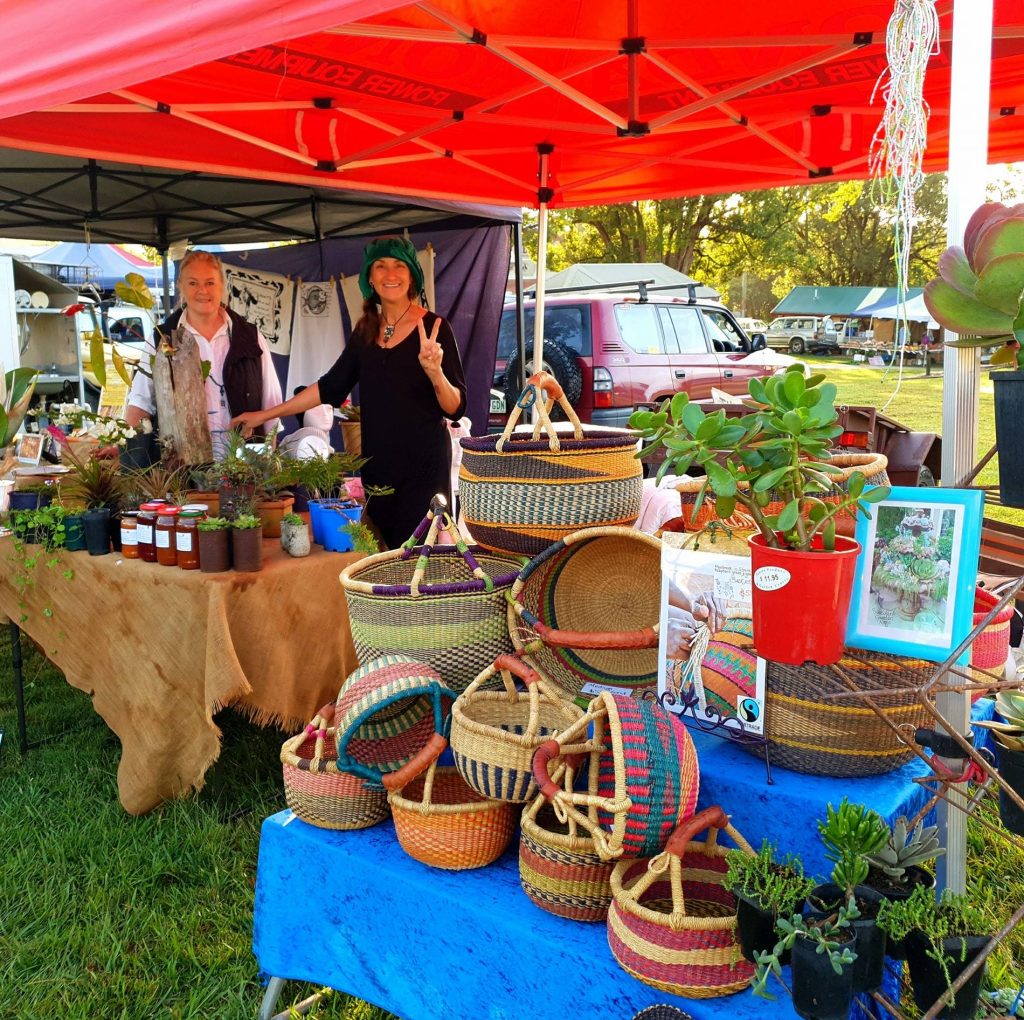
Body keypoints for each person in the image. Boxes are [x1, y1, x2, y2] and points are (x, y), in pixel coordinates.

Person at [231, 236, 466, 549]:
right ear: (370, 276)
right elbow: (329, 387)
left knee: (418, 565)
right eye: (380, 266)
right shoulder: (365, 331)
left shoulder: (435, 328)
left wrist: (435, 371)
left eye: (399, 266)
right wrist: (263, 414)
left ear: (412, 275)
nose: (390, 274)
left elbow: (456, 407)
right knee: (384, 564)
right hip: (378, 469)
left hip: (423, 467)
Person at [125, 250, 282, 454]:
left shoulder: (250, 338)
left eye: (210, 283)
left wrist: (270, 464)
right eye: (193, 283)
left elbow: (270, 406)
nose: (202, 291)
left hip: (245, 464)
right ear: (180, 286)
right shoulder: (162, 338)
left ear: (222, 287)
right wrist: (127, 451)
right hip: (182, 464)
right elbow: (140, 403)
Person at [278, 386, 334, 460]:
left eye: (329, 408)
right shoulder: (308, 442)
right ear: (302, 414)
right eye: (316, 408)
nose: (325, 414)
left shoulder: (319, 439)